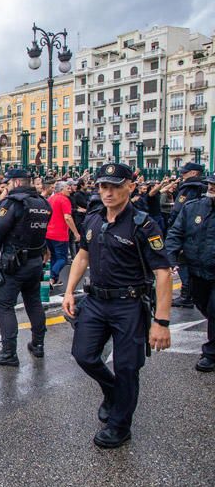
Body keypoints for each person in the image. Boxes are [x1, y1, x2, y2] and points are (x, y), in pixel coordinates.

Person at [62, 163, 172, 449]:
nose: (107, 192)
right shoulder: (94, 219)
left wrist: (161, 322)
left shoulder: (144, 225)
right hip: (97, 302)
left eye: (114, 186)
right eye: (103, 186)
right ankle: (112, 392)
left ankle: (120, 426)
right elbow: (82, 257)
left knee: (127, 368)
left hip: (129, 305)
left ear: (130, 187)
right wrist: (69, 291)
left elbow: (162, 273)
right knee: (83, 355)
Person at [0, 169, 52, 366]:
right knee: (34, 302)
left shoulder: (13, 203)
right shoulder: (42, 202)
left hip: (14, 262)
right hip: (35, 260)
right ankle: (38, 344)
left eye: (8, 183)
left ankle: (8, 352)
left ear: (15, 182)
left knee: (4, 305)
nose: (6, 186)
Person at [165, 174, 215, 372]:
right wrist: (170, 258)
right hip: (196, 269)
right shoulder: (193, 207)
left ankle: (210, 353)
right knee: (202, 303)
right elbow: (176, 233)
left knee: (214, 309)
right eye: (211, 184)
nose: (211, 188)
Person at [169, 162, 207, 309]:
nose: (182, 175)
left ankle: (186, 295)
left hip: (186, 231)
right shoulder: (202, 187)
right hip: (198, 231)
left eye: (185, 173)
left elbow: (178, 210)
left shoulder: (190, 188)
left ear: (193, 173)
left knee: (183, 261)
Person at [46, 181, 81, 289]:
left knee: (54, 257)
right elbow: (67, 217)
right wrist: (76, 232)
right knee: (62, 259)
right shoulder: (64, 200)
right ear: (61, 189)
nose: (69, 189)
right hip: (60, 234)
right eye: (67, 188)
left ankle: (54, 279)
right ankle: (51, 278)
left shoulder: (50, 199)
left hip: (48, 233)